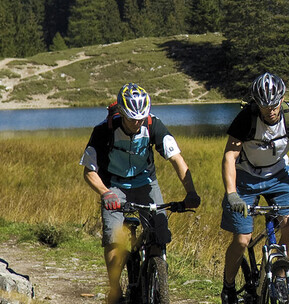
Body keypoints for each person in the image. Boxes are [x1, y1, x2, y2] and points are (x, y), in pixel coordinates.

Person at [80, 83, 200, 304]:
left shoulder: (153, 125)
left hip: (146, 182)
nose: (137, 123)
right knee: (113, 237)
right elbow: (89, 171)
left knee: (159, 232)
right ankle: (115, 289)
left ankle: (155, 276)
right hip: (114, 185)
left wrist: (191, 192)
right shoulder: (103, 131)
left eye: (141, 118)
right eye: (132, 119)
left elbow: (177, 159)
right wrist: (105, 193)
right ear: (122, 113)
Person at [220, 72, 289, 304]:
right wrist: (232, 193)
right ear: (256, 103)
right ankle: (228, 286)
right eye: (265, 106)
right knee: (242, 239)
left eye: (274, 105)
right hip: (245, 178)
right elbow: (229, 156)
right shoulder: (246, 118)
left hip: (278, 177)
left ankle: (281, 277)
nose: (271, 111)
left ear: (282, 99)